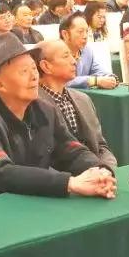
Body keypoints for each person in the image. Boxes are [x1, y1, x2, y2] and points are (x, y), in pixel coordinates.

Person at [0, 34, 115, 198]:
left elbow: (70, 150)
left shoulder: (44, 109)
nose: (34, 76)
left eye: (34, 68)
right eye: (24, 71)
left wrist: (100, 171)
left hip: (31, 199)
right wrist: (69, 183)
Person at [36, 40, 117, 168]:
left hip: (98, 172)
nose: (74, 61)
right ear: (46, 66)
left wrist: (107, 169)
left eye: (73, 56)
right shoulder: (33, 105)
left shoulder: (83, 99)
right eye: (66, 56)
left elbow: (101, 146)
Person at [59, 13, 116, 89]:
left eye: (86, 31)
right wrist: (94, 81)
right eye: (80, 32)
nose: (85, 36)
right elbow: (63, 81)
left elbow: (98, 71)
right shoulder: (56, 53)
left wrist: (110, 77)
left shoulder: (86, 50)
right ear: (65, 34)